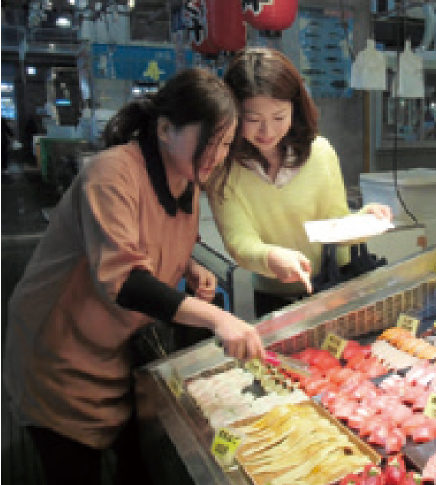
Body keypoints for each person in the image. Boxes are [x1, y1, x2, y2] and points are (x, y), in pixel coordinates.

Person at [2, 68, 267, 485]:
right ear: (165, 129)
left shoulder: (188, 180)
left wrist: (190, 268)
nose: (218, 156)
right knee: (73, 468)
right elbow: (124, 277)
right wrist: (217, 318)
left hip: (114, 348)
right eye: (211, 142)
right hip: (57, 350)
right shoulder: (111, 174)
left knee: (137, 461)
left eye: (227, 144)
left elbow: (161, 241)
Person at [208, 48, 391, 316]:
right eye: (253, 120)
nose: (267, 132)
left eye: (279, 117)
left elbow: (334, 222)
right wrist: (271, 258)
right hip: (273, 295)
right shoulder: (222, 168)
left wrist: (365, 218)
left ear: (296, 106)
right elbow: (239, 242)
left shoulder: (320, 152)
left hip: (334, 283)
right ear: (233, 115)